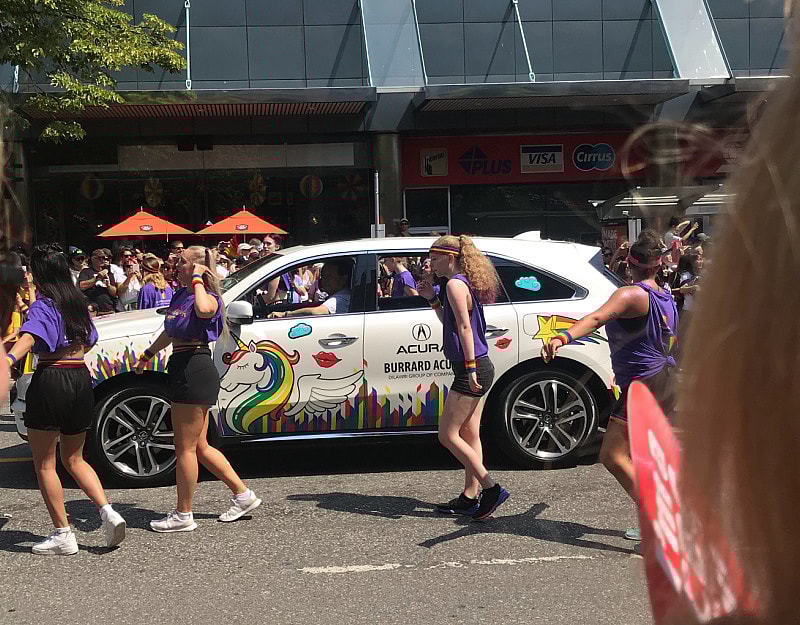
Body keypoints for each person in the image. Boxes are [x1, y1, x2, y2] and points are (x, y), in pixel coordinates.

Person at [541, 231, 677, 541]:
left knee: (613, 456)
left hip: (645, 384)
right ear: (657, 265)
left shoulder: (631, 295)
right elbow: (657, 339)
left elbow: (597, 317)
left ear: (630, 263)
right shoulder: (664, 294)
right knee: (640, 455)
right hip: (663, 379)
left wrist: (561, 338)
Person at [7, 244, 126, 554]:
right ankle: (107, 511)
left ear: (40, 273)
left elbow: (31, 335)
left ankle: (63, 533)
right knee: (75, 458)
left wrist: (9, 359)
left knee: (45, 464)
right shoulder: (76, 301)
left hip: (52, 379)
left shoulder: (44, 304)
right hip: (80, 377)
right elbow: (90, 341)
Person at [136, 245, 260, 532]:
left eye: (181, 263)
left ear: (195, 267)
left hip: (195, 367)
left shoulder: (208, 296)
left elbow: (205, 311)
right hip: (182, 364)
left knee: (185, 448)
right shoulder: (181, 294)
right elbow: (171, 330)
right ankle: (243, 495)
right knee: (200, 446)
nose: (174, 266)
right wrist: (148, 353)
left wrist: (198, 279)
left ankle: (183, 514)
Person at [417, 235, 509, 521]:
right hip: (476, 365)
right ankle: (471, 497)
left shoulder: (456, 284)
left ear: (450, 258)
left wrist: (469, 369)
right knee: (470, 433)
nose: (430, 263)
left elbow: (466, 330)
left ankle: (491, 488)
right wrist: (431, 298)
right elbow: (453, 324)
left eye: (435, 258)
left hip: (473, 367)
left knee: (447, 435)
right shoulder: (457, 284)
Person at [269, 258, 351, 318]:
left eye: (329, 276)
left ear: (343, 278)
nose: (324, 280)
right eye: (323, 276)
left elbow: (315, 312)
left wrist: (284, 315)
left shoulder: (340, 298)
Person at [77, 249, 118, 315]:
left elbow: (114, 293)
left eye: (104, 258)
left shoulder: (108, 272)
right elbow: (82, 286)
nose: (103, 260)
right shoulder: (86, 271)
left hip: (109, 310)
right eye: (100, 258)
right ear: (93, 259)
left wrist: (108, 285)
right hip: (94, 311)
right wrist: (97, 278)